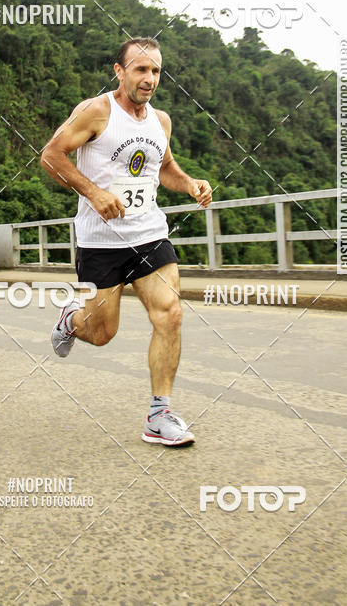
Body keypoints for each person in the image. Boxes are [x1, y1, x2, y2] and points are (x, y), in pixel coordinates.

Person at [41, 37, 212, 446]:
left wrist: (189, 183)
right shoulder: (96, 111)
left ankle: (160, 414)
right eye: (141, 69)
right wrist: (93, 193)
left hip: (149, 234)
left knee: (170, 314)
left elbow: (164, 168)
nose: (149, 78)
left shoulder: (161, 121)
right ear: (119, 71)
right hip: (100, 241)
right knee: (102, 333)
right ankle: (71, 320)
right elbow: (51, 155)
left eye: (155, 71)